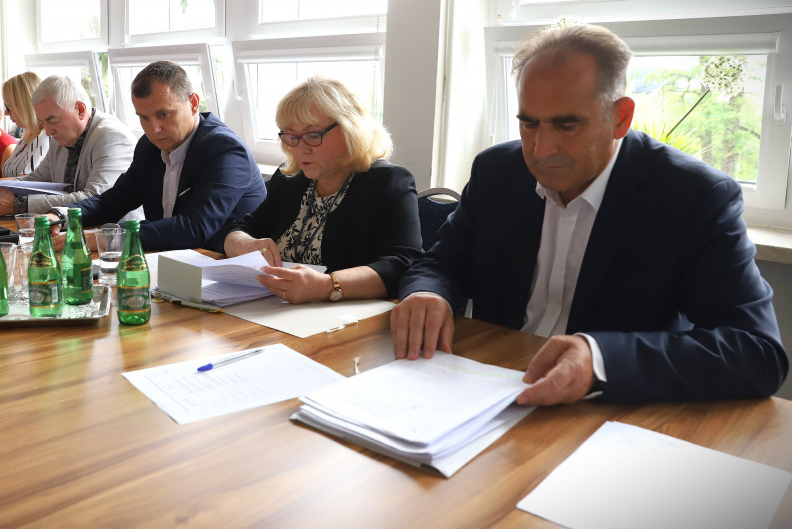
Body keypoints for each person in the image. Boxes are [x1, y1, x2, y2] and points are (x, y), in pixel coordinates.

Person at [392, 23, 788, 404]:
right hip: (488, 384)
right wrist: (429, 292)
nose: (541, 149)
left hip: (612, 407)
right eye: (529, 123)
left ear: (621, 118)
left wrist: (599, 359)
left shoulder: (693, 196)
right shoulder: (497, 171)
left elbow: (755, 350)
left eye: (566, 126)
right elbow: (442, 262)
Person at [224, 76, 422, 303]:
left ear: (349, 129)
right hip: (272, 308)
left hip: (344, 315)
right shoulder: (291, 178)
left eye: (312, 135)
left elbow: (402, 265)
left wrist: (327, 285)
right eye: (292, 136)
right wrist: (244, 243)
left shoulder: (388, 182)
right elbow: (240, 228)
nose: (301, 149)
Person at [55, 61, 265, 253]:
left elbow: (194, 227)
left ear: (193, 103)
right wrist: (59, 216)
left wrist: (105, 238)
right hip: (172, 261)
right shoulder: (149, 147)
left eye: (163, 114)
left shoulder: (224, 149)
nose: (153, 129)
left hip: (225, 266)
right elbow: (112, 202)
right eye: (144, 117)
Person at [0, 75, 136, 216]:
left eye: (52, 120)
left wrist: (16, 205)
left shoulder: (111, 137)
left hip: (116, 240)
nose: (47, 131)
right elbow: (35, 180)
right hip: (72, 232)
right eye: (43, 121)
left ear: (80, 110)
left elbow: (95, 199)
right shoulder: (61, 136)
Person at [1, 72, 50, 177]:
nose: (6, 113)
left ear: (24, 106)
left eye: (8, 107)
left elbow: (24, 181)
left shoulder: (43, 139)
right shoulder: (26, 137)